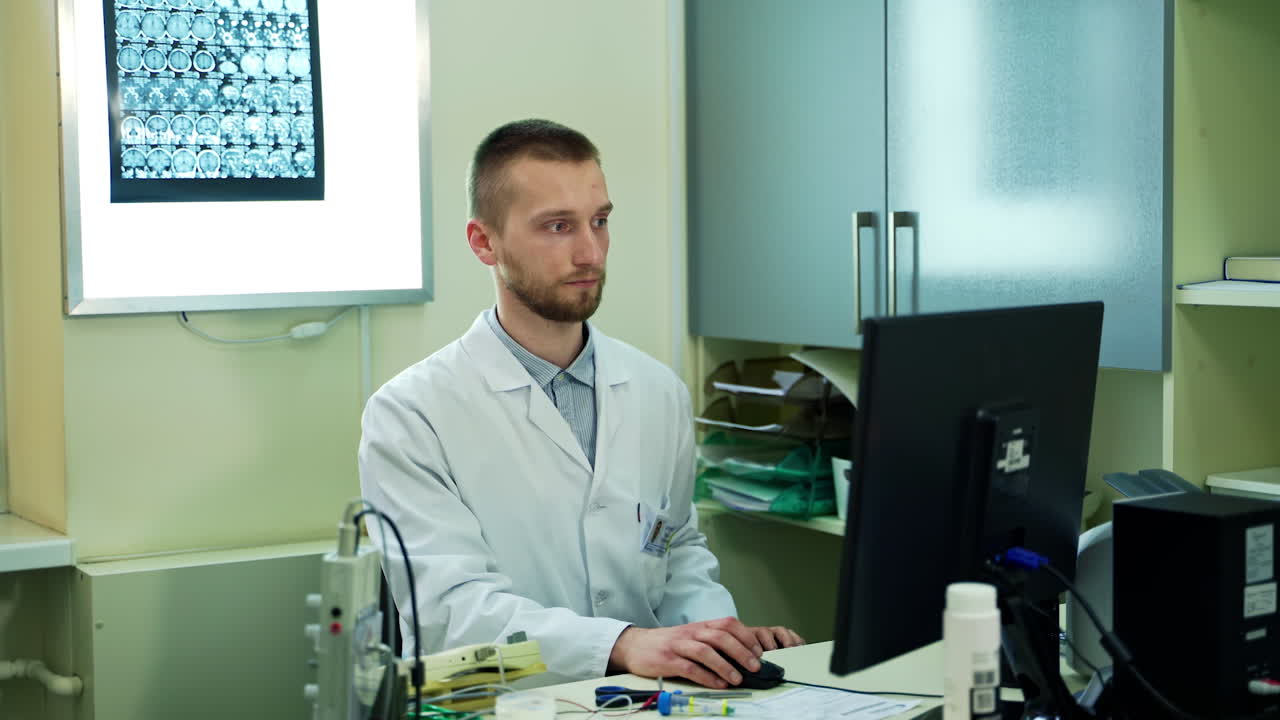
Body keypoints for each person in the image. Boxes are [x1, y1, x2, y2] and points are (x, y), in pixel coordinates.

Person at [358, 119, 804, 689]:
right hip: (502, 700)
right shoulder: (410, 414)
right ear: (483, 242)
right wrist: (620, 645)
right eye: (557, 226)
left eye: (599, 222)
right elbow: (452, 620)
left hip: (649, 699)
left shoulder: (656, 390)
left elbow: (677, 550)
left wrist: (713, 639)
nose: (590, 252)